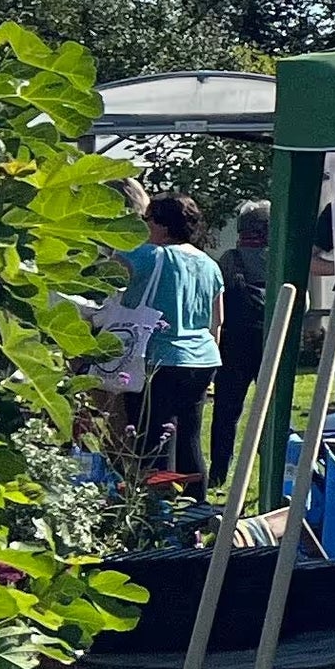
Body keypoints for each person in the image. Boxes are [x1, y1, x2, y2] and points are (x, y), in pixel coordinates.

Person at [121, 194, 227, 483]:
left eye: (148, 220)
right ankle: (197, 509)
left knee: (154, 440)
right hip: (202, 358)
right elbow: (217, 321)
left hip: (158, 358)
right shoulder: (209, 264)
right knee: (189, 437)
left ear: (163, 227)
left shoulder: (147, 255)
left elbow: (102, 272)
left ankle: (158, 513)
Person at [211, 201, 273, 489]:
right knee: (273, 410)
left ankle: (218, 474)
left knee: (226, 411)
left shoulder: (228, 259)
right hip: (270, 342)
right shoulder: (278, 258)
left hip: (233, 345)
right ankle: (274, 468)